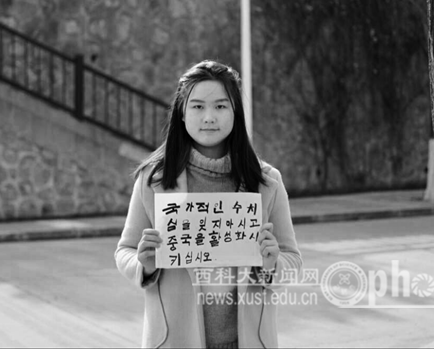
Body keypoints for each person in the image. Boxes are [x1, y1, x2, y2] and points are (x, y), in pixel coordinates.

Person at [115, 60, 302, 349]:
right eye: (198, 106)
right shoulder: (153, 180)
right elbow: (125, 251)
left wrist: (271, 263)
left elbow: (292, 258)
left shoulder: (267, 181)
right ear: (182, 113)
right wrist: (145, 264)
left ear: (235, 111)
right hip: (174, 340)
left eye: (220, 106)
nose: (209, 117)